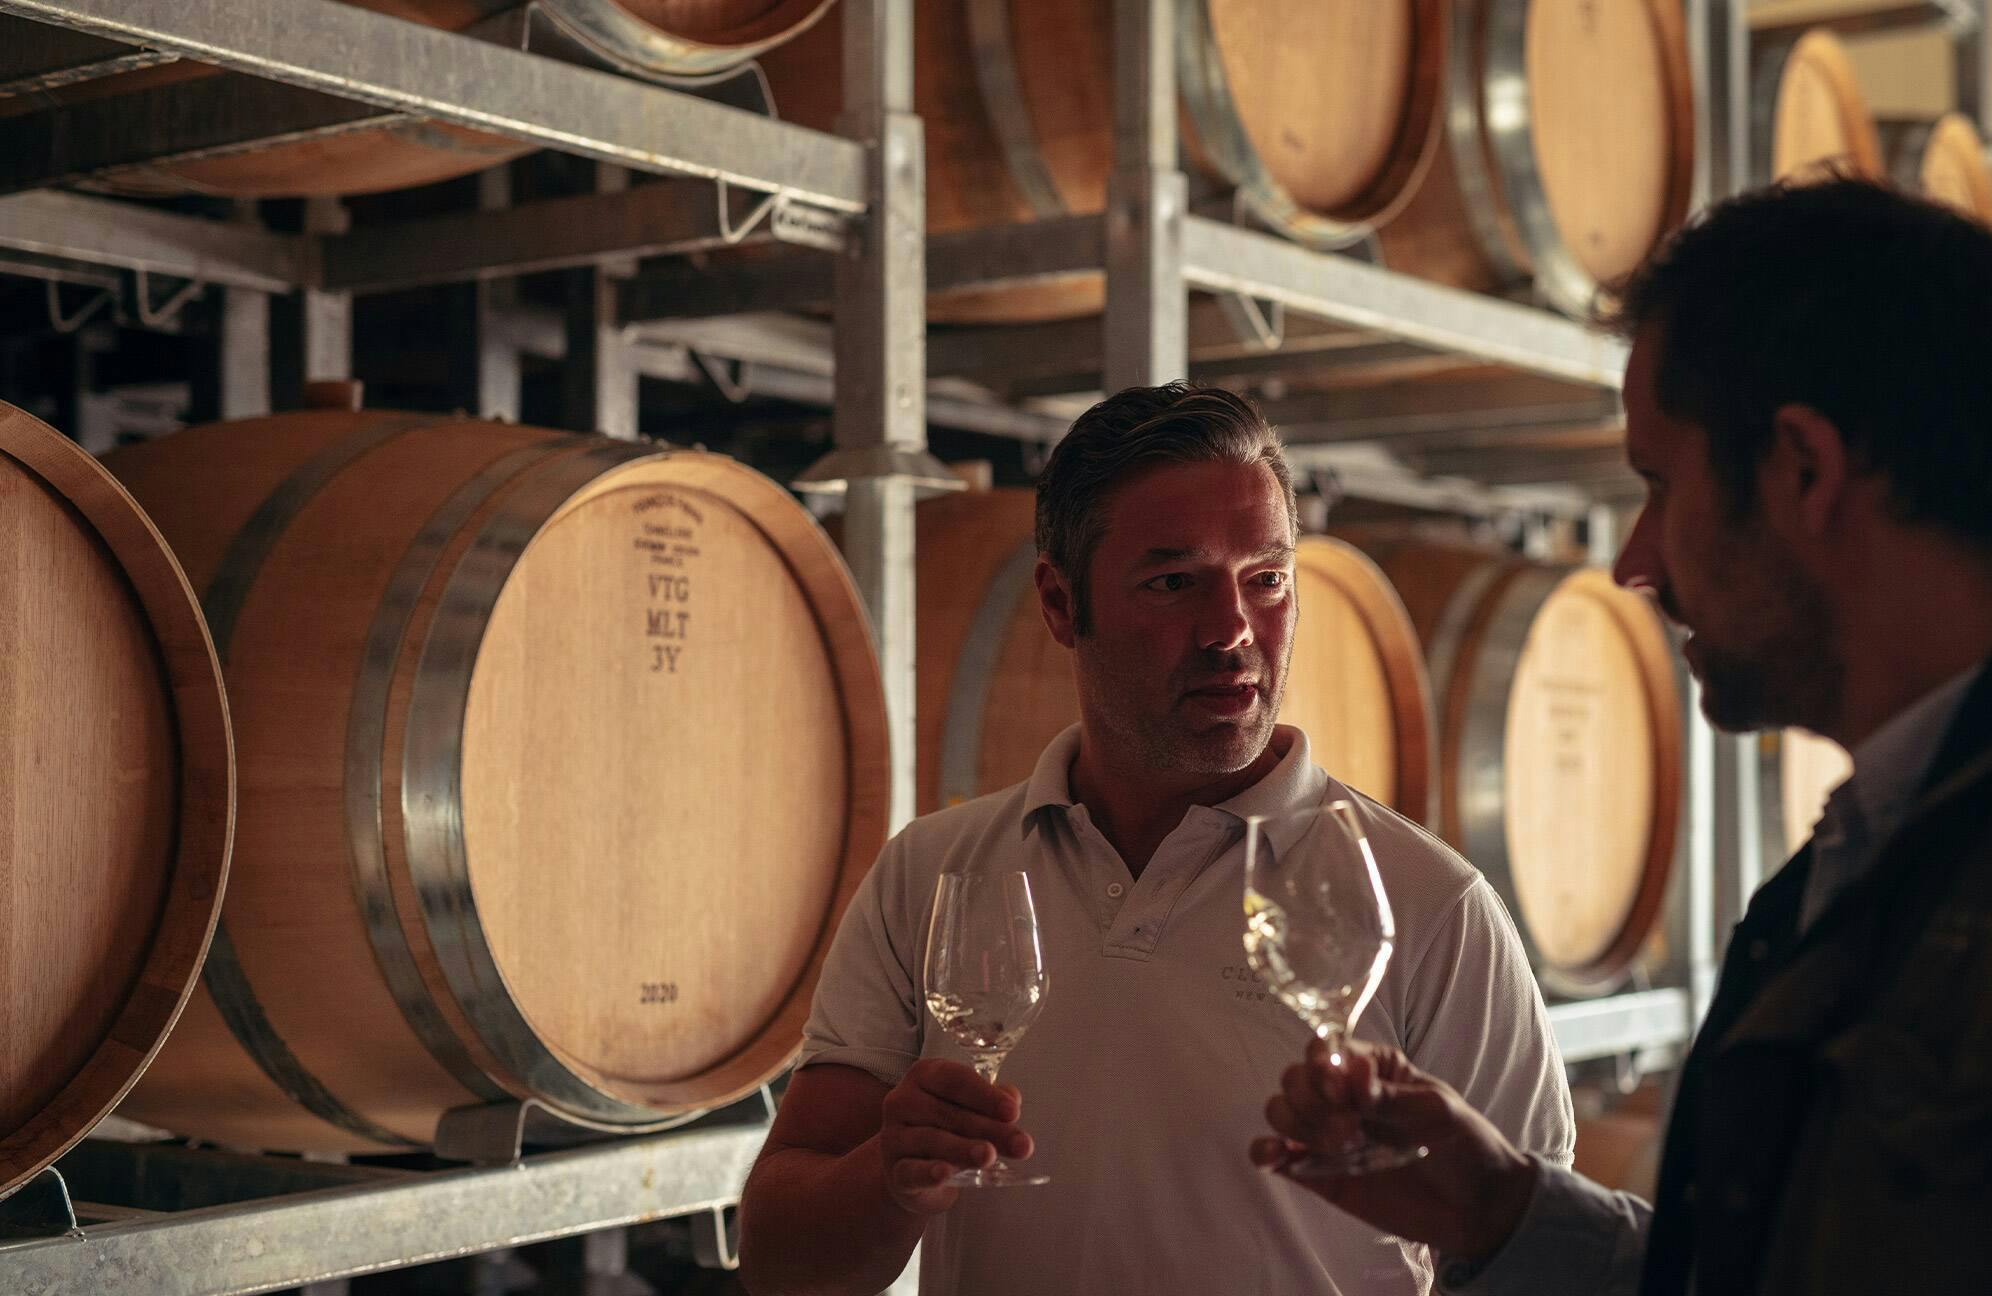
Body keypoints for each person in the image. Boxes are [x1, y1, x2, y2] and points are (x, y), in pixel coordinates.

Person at [1254, 177, 1992, 1296]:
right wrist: (1507, 1211)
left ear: (1803, 470)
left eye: (1658, 483)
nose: (1634, 563)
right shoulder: (1860, 858)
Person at [736, 383, 1574, 1295]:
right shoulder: (933, 873)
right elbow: (781, 1263)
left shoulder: (1432, 906)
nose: (1232, 629)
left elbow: (1542, 1270)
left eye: (1267, 579)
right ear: (1061, 604)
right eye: (1175, 583)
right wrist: (887, 1178)